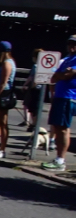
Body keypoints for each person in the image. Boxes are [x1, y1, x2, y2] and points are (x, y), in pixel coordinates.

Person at [41, 34, 76, 171]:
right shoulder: (67, 60)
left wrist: (60, 74)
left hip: (68, 97)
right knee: (57, 127)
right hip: (60, 96)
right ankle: (58, 158)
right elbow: (54, 78)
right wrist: (59, 74)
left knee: (63, 129)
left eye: (74, 44)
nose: (72, 46)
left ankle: (61, 160)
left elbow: (65, 75)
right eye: (70, 43)